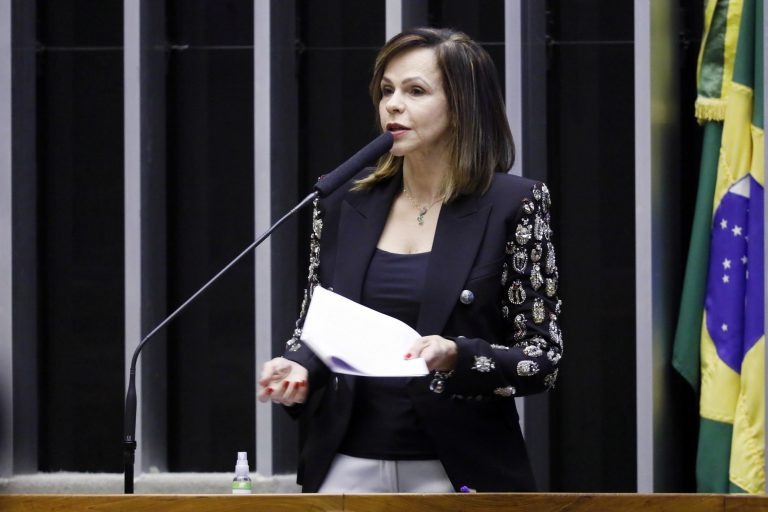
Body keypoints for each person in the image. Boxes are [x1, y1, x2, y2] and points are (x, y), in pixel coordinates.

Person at [258, 27, 563, 493]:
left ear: (463, 106)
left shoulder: (513, 204)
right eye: (386, 90)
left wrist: (457, 356)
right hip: (345, 467)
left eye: (415, 91)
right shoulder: (343, 200)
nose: (392, 105)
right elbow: (318, 326)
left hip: (458, 470)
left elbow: (542, 357)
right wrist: (298, 365)